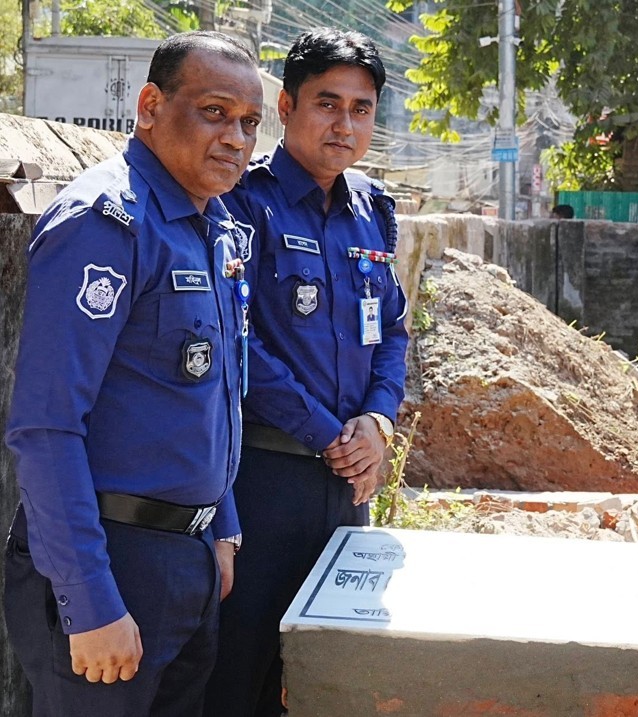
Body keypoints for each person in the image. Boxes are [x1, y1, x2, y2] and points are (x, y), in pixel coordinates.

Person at [3, 31, 261, 716]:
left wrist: (220, 525)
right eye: (214, 111)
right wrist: (88, 600)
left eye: (249, 122)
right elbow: (46, 426)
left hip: (190, 559)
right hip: (110, 561)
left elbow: (213, 394)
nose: (236, 137)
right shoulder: (107, 222)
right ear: (149, 106)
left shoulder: (208, 227)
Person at [202, 28, 409, 717]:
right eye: (327, 103)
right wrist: (328, 433)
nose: (344, 124)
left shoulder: (372, 210)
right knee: (239, 676)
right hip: (264, 482)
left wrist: (377, 422)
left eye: (361, 108)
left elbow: (393, 332)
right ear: (286, 107)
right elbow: (235, 342)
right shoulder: (239, 201)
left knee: (333, 680)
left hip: (348, 486)